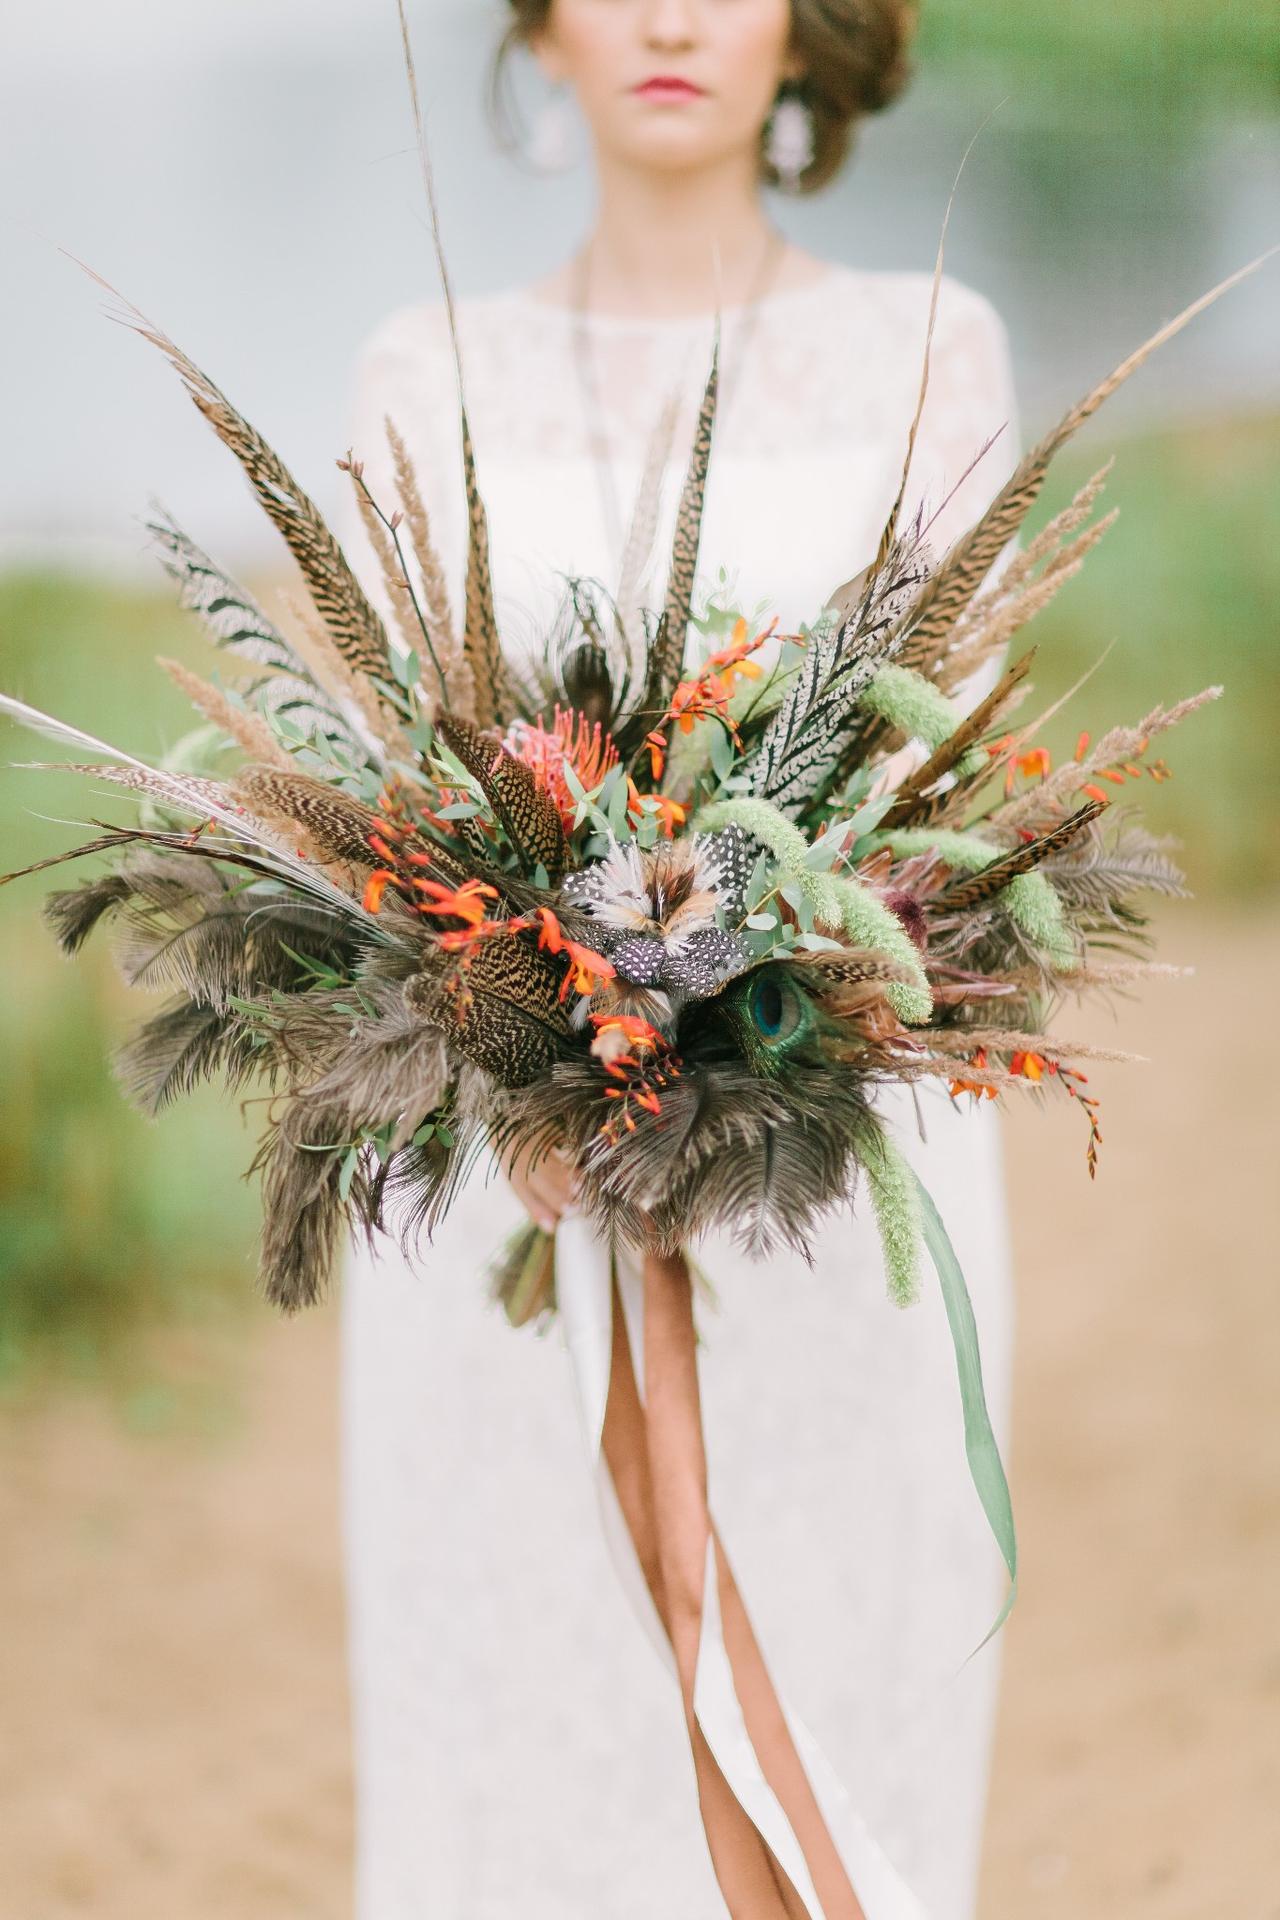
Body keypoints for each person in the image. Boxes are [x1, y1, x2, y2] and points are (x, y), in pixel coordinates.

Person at [338, 4, 1020, 1914]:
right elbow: (381, 811)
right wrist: (525, 1062)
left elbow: (950, 806)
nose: (665, 15)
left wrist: (755, 1048)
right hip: (512, 1204)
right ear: (538, 32)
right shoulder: (423, 374)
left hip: (838, 1193)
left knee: (839, 1722)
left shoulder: (927, 350)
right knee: (525, 1734)